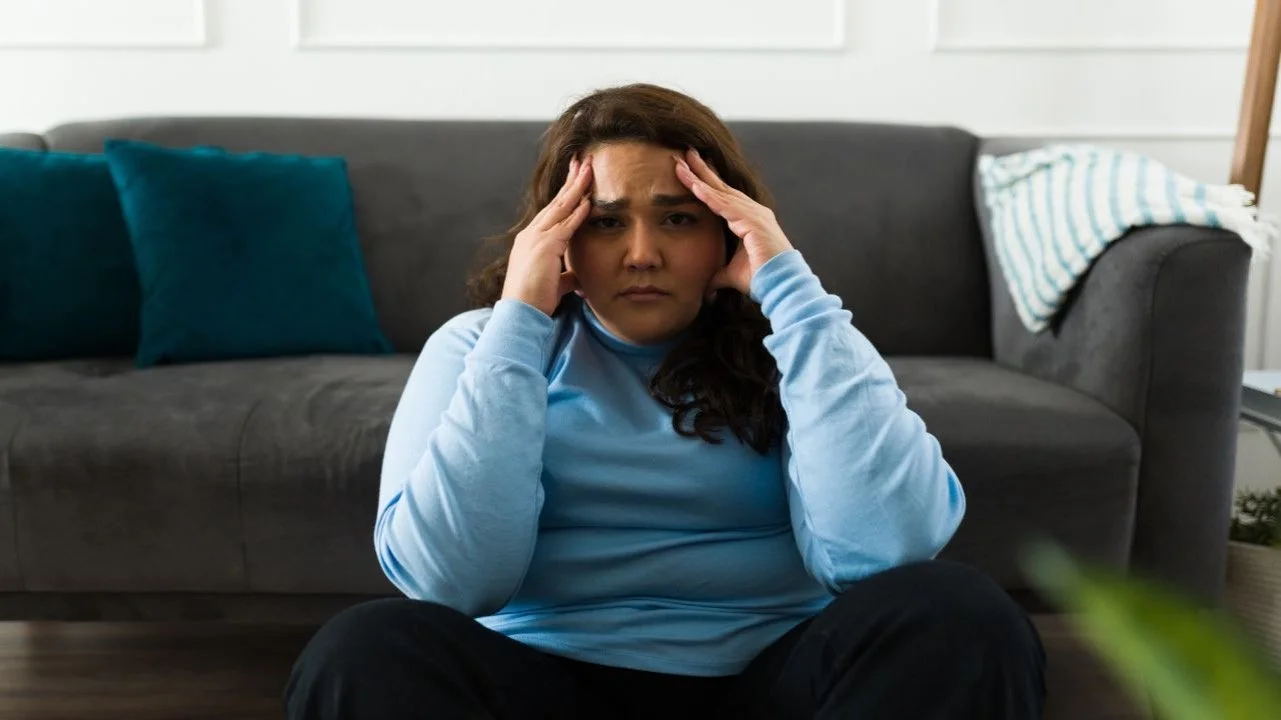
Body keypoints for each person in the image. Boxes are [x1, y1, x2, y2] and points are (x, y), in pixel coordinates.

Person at [285, 83, 1046, 720]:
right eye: (606, 222)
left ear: (724, 232)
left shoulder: (799, 337)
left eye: (676, 218)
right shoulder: (477, 347)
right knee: (364, 649)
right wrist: (519, 323)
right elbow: (450, 582)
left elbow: (886, 553)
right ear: (559, 237)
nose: (641, 253)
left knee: (957, 611)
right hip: (544, 682)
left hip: (771, 687)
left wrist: (795, 299)